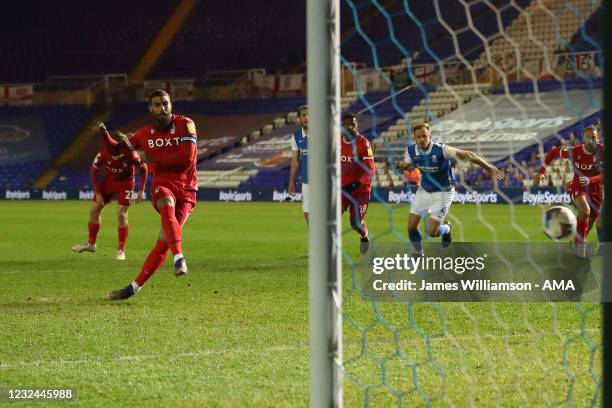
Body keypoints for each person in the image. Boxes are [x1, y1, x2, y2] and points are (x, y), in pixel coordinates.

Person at [100, 89, 198, 300]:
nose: (162, 108)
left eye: (165, 104)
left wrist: (151, 158)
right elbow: (117, 149)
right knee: (165, 201)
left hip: (188, 189)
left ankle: (133, 288)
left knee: (164, 241)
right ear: (150, 108)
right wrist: (105, 134)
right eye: (157, 105)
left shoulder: (185, 124)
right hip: (162, 183)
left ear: (170, 105)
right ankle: (179, 257)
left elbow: (186, 159)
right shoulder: (144, 133)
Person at [396, 123, 503, 254]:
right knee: (411, 227)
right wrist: (401, 166)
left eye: (424, 136)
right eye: (418, 137)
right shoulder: (411, 150)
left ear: (430, 136)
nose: (421, 139)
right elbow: (406, 163)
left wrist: (489, 168)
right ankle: (419, 254)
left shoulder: (442, 150)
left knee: (432, 232)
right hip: (424, 191)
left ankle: (446, 229)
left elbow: (468, 155)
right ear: (414, 138)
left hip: (443, 193)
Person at [72, 133, 147, 260]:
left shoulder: (132, 155)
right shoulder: (104, 153)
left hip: (126, 184)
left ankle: (121, 250)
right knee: (94, 210)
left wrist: (141, 190)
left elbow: (144, 169)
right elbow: (93, 171)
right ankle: (91, 244)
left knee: (121, 214)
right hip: (108, 182)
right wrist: (98, 192)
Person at [538, 125, 604, 257]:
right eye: (588, 137)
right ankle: (581, 245)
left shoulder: (603, 151)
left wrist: (591, 180)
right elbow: (553, 152)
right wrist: (542, 171)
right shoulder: (574, 151)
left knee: (589, 222)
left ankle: (576, 241)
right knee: (585, 211)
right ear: (583, 138)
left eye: (594, 137)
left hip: (595, 189)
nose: (591, 140)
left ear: (598, 138)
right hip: (577, 186)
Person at [341, 113, 376, 254]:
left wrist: (357, 184)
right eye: (346, 124)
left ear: (357, 126)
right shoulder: (336, 141)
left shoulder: (363, 143)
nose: (350, 127)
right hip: (342, 189)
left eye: (353, 124)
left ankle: (364, 235)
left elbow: (370, 170)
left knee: (355, 223)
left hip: (360, 190)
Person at [288, 105, 309, 223]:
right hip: (307, 181)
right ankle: (315, 237)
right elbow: (295, 161)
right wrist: (291, 180)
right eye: (304, 115)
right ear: (299, 118)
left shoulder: (321, 134)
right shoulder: (296, 137)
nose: (307, 117)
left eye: (309, 114)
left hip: (323, 182)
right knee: (307, 212)